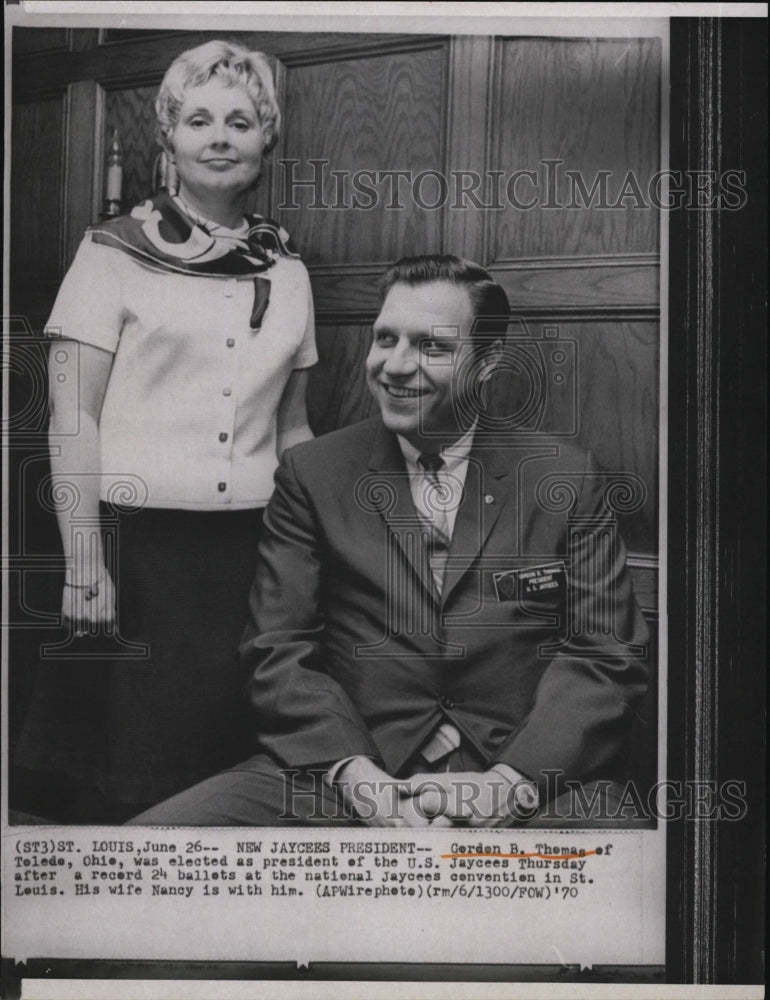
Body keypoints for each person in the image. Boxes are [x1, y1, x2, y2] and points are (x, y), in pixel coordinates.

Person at [131, 255, 649, 829]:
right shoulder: (313, 474)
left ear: (488, 362)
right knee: (136, 857)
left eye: (432, 346)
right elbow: (277, 649)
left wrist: (510, 783)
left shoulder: (565, 477)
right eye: (385, 339)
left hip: (523, 776)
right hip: (348, 771)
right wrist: (356, 776)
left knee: (632, 879)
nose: (395, 366)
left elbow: (605, 654)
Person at [14, 40, 317, 822]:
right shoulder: (108, 254)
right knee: (124, 795)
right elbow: (72, 413)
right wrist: (85, 561)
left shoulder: (289, 272)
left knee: (222, 790)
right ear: (171, 139)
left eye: (242, 121)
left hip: (250, 556)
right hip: (133, 554)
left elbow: (295, 429)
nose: (221, 135)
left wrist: (316, 559)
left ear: (266, 140)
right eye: (200, 119)